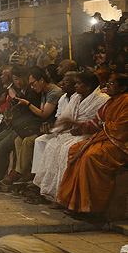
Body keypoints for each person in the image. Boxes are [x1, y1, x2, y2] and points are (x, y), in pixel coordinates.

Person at [56, 74, 128, 216]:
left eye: (112, 84)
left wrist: (103, 125)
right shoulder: (111, 102)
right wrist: (80, 128)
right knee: (75, 151)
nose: (108, 86)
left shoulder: (125, 101)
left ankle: (92, 209)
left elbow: (122, 128)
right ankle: (75, 204)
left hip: (120, 144)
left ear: (123, 88)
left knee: (91, 157)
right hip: (105, 139)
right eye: (107, 83)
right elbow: (97, 122)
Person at [33, 71, 108, 204]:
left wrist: (77, 126)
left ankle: (64, 195)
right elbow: (66, 119)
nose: (76, 86)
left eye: (79, 83)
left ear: (89, 86)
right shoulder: (75, 97)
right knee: (52, 145)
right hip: (73, 131)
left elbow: (99, 123)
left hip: (90, 133)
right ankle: (48, 190)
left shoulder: (103, 99)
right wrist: (54, 129)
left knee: (66, 149)